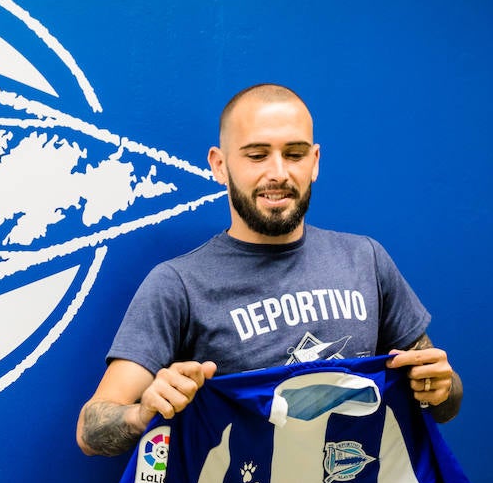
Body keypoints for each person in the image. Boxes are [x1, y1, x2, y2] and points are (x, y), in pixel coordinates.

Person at [77, 83, 462, 457]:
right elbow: (91, 430)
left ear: (314, 163)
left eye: (294, 155)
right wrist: (143, 412)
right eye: (257, 155)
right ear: (220, 165)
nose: (277, 173)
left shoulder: (366, 259)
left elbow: (446, 401)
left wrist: (440, 386)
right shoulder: (177, 284)